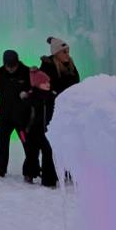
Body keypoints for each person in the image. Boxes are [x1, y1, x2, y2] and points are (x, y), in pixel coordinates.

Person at [0, 49, 33, 181]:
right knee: (2, 143)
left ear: (18, 62)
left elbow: (35, 93)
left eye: (13, 66)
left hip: (22, 118)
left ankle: (30, 172)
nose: (11, 69)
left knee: (28, 144)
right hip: (5, 116)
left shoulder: (27, 72)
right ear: (4, 64)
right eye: (8, 66)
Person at [39, 36, 81, 184]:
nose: (67, 54)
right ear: (56, 53)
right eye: (64, 52)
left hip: (69, 109)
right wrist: (52, 95)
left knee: (69, 141)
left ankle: (68, 172)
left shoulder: (70, 65)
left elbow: (76, 83)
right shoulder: (47, 66)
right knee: (50, 142)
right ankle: (49, 177)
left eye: (68, 51)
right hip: (53, 109)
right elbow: (41, 88)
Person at [21, 68, 58, 188]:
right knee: (32, 153)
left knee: (48, 152)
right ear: (37, 84)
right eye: (44, 82)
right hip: (32, 131)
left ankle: (49, 180)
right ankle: (29, 174)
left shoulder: (51, 97)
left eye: (48, 82)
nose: (48, 84)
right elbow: (23, 116)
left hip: (46, 131)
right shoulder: (31, 99)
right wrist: (24, 130)